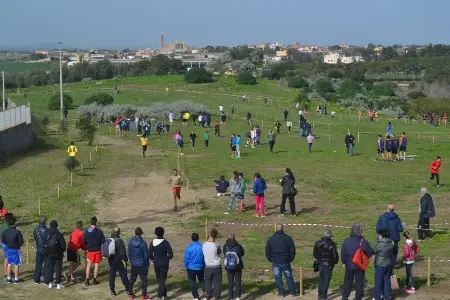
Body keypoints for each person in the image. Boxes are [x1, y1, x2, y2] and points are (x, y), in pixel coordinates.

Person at [341, 223, 373, 300]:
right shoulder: (364, 241)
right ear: (360, 231)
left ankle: (345, 297)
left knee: (347, 283)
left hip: (349, 265)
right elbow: (369, 253)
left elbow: (343, 253)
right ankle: (358, 298)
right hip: (359, 265)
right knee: (359, 283)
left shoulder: (346, 241)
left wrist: (344, 262)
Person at [265, 224, 298, 297]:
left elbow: (267, 251)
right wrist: (291, 258)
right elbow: (292, 250)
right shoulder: (288, 238)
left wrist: (270, 259)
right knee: (289, 276)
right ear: (283, 229)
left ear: (276, 229)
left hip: (275, 261)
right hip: (285, 261)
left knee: (278, 277)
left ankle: (281, 293)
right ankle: (292, 292)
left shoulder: (271, 239)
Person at [376, 205, 404, 272]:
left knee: (384, 252)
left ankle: (385, 264)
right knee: (394, 252)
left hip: (385, 238)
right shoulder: (397, 218)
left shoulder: (382, 217)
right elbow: (400, 229)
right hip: (394, 238)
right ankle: (392, 265)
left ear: (387, 209)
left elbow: (377, 229)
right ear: (393, 210)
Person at [313, 230, 339, 300]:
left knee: (321, 279)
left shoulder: (318, 243)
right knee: (326, 280)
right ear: (330, 236)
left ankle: (319, 295)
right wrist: (334, 262)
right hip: (329, 264)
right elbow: (335, 257)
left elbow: (314, 254)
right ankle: (323, 296)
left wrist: (319, 259)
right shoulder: (332, 244)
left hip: (320, 263)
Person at [149, 227, 173, 300]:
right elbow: (171, 255)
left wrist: (154, 259)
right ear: (163, 233)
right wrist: (166, 258)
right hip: (164, 264)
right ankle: (161, 296)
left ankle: (162, 295)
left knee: (160, 280)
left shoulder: (152, 242)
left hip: (156, 263)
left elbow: (149, 254)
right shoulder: (166, 243)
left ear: (155, 233)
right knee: (162, 280)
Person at [128, 227, 149, 300]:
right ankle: (144, 295)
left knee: (132, 279)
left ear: (135, 233)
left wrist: (131, 261)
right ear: (141, 233)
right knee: (143, 280)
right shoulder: (143, 243)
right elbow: (146, 255)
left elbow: (129, 253)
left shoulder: (130, 242)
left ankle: (130, 294)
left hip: (134, 264)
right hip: (142, 264)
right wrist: (147, 264)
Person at [1, 215, 24, 284]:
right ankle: (16, 279)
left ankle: (8, 278)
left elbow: (3, 240)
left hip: (9, 249)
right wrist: (17, 246)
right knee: (16, 264)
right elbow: (21, 241)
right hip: (16, 249)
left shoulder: (5, 231)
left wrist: (8, 244)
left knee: (9, 263)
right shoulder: (17, 232)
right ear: (15, 222)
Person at [107, 226, 130, 296]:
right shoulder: (120, 241)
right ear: (119, 232)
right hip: (120, 261)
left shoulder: (109, 240)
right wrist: (125, 260)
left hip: (112, 261)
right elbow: (122, 252)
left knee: (112, 276)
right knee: (124, 276)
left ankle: (112, 290)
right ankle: (128, 289)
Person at [372, 228, 394, 300]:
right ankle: (387, 297)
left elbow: (374, 250)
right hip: (388, 263)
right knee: (387, 281)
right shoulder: (391, 242)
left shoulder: (379, 243)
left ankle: (377, 297)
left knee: (378, 281)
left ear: (380, 235)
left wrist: (377, 240)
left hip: (380, 264)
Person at [44, 220, 66, 289]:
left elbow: (44, 243)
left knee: (50, 268)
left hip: (49, 253)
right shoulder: (59, 234)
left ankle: (50, 283)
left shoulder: (47, 233)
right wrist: (61, 251)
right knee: (58, 269)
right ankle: (58, 284)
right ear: (57, 226)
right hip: (58, 254)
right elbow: (63, 246)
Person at [84, 216, 105, 286]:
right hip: (97, 250)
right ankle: (95, 280)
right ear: (96, 222)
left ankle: (87, 280)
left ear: (90, 222)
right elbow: (103, 242)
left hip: (90, 250)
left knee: (88, 265)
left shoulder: (87, 231)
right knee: (96, 265)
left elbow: (84, 241)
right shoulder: (99, 231)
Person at [223, 234, 244, 300]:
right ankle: (238, 297)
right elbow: (242, 254)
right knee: (238, 282)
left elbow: (224, 254)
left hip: (229, 267)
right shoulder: (239, 246)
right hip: (238, 266)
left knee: (230, 282)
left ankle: (230, 297)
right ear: (234, 238)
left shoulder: (225, 246)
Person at [184, 233, 205, 300]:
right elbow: (204, 257)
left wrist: (186, 265)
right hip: (200, 267)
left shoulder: (189, 248)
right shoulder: (202, 247)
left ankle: (196, 296)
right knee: (202, 280)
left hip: (191, 268)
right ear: (198, 238)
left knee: (192, 282)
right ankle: (206, 294)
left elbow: (186, 259)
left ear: (191, 238)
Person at [202, 229, 222, 300]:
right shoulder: (217, 245)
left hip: (207, 266)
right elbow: (219, 252)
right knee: (217, 282)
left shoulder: (203, 245)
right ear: (215, 236)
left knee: (208, 281)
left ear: (210, 235)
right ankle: (217, 297)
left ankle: (207, 296)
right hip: (216, 266)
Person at [33, 216, 48, 284]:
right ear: (45, 222)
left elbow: (36, 238)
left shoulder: (35, 229)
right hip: (45, 249)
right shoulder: (47, 230)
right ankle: (46, 279)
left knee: (38, 264)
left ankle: (36, 279)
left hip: (39, 248)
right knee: (46, 265)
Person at [0, 212, 12, 280]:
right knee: (7, 258)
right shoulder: (8, 227)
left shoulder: (2, 226)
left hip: (3, 243)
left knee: (7, 257)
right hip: (7, 244)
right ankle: (6, 273)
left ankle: (8, 271)